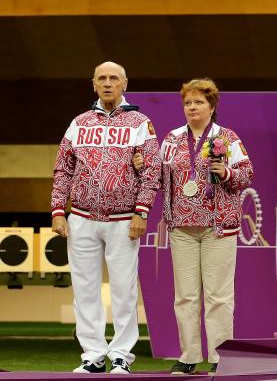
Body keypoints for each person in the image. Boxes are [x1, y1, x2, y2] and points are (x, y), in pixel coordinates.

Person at [51, 61, 160, 374]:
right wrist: (59, 210)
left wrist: (142, 212)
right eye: (102, 78)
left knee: (124, 289)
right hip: (81, 218)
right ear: (93, 84)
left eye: (114, 78)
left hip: (124, 220)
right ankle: (93, 354)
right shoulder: (79, 123)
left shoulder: (140, 122)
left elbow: (151, 171)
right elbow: (63, 168)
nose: (108, 83)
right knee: (84, 287)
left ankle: (122, 355)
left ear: (125, 83)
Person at [146, 78, 253, 375]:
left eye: (199, 102)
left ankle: (221, 358)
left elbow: (247, 175)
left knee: (218, 295)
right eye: (188, 103)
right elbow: (157, 177)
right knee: (185, 295)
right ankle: (189, 355)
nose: (192, 107)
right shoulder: (172, 138)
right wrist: (142, 166)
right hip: (181, 226)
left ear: (212, 106)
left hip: (218, 226)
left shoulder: (227, 138)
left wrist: (227, 171)